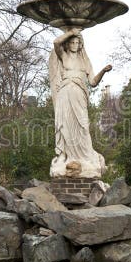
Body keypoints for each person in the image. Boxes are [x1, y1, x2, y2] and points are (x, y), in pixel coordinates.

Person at [48, 27, 112, 178]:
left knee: (83, 126)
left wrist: (103, 71)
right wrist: (72, 32)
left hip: (79, 94)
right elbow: (56, 42)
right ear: (68, 44)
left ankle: (85, 157)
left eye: (77, 42)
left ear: (81, 44)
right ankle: (68, 158)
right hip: (65, 94)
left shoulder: (85, 61)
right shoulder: (64, 56)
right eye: (72, 42)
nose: (74, 45)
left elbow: (93, 82)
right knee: (66, 126)